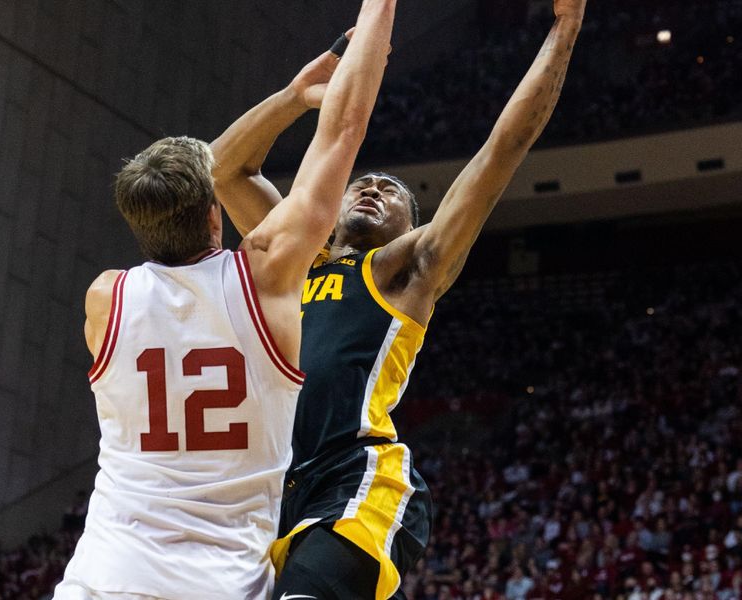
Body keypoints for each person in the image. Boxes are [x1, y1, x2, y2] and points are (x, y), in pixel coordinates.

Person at [211, 1, 587, 598]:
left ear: (410, 226)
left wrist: (566, 27)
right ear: (329, 212)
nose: (375, 189)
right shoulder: (290, 258)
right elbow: (224, 172)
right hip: (266, 491)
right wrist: (294, 96)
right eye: (363, 183)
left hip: (354, 480)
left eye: (392, 193)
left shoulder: (403, 269)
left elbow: (501, 150)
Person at [52, 2, 396, 599]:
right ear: (216, 212)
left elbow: (210, 173)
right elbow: (344, 129)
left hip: (101, 578)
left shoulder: (105, 298)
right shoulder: (266, 278)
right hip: (220, 582)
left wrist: (290, 97)